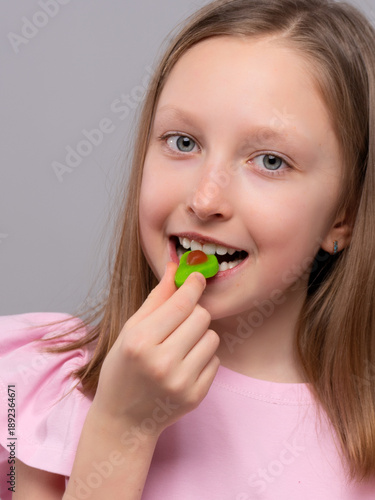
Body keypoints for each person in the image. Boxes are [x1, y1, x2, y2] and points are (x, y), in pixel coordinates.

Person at [1, 0, 375, 497]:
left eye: (269, 160)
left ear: (343, 215)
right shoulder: (29, 385)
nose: (205, 200)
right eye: (183, 143)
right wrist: (122, 428)